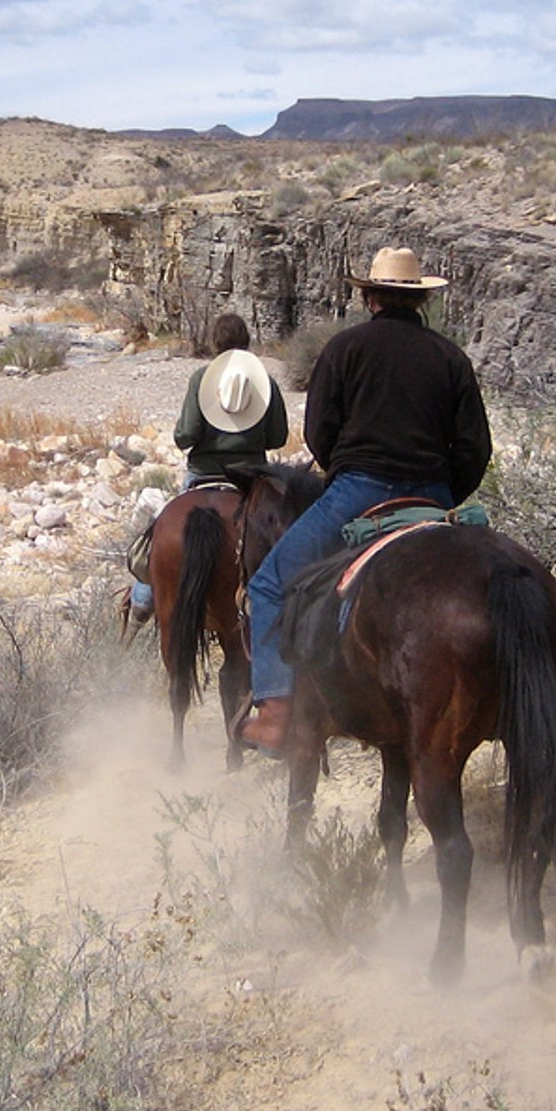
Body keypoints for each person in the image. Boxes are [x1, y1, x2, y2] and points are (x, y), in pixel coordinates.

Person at [237, 247, 491, 756]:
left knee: (267, 584)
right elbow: (475, 448)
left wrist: (346, 472)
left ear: (370, 296)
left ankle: (275, 713)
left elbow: (319, 433)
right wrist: (441, 496)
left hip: (359, 491)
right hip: (434, 494)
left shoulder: (344, 349)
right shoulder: (451, 358)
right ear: (417, 301)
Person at [127, 312, 288, 622]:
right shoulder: (265, 383)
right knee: (281, 540)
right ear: (247, 342)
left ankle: (142, 601)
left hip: (203, 474)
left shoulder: (202, 379)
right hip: (251, 480)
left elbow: (185, 435)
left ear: (215, 343)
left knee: (157, 536)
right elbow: (278, 437)